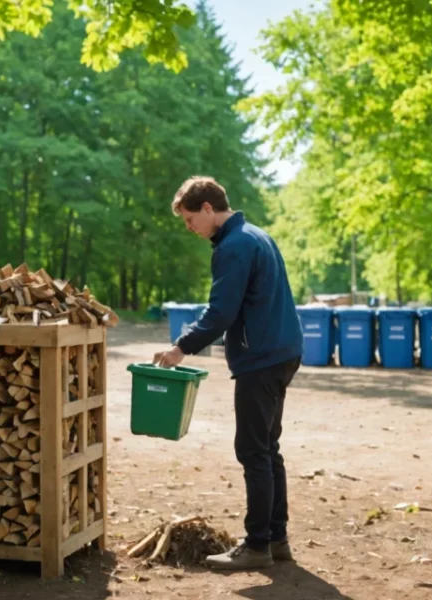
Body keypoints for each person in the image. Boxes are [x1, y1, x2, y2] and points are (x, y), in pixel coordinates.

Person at [153, 176, 302, 570]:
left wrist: (180, 347)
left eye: (189, 220)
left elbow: (220, 312)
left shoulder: (234, 246)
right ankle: (277, 539)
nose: (190, 229)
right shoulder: (258, 236)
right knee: (268, 450)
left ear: (207, 208)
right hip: (283, 352)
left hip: (262, 357)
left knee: (253, 451)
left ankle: (256, 546)